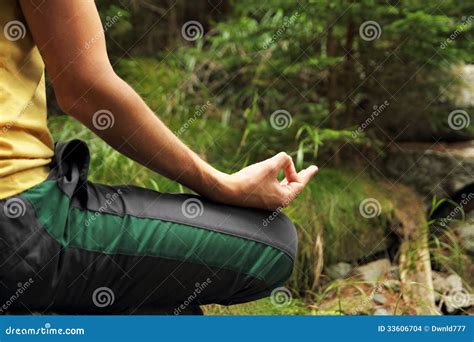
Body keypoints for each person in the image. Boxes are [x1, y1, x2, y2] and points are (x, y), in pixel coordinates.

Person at [0, 0, 318, 314]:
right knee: (273, 243)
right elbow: (86, 89)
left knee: (164, 301)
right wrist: (222, 185)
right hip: (18, 220)